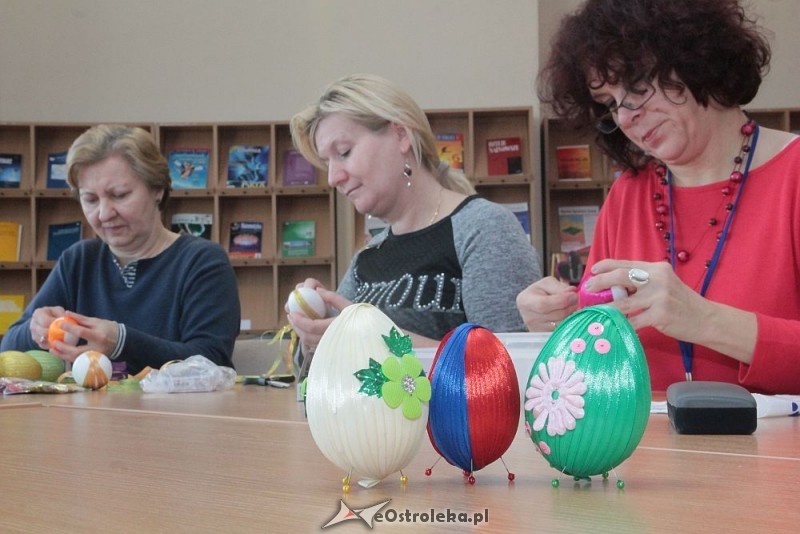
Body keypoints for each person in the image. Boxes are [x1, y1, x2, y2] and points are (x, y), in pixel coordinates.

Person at [516, 0, 800, 394]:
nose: (625, 116)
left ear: (696, 59)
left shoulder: (793, 176)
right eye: (610, 104)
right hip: (650, 453)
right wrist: (561, 328)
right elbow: (601, 364)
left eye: (637, 87)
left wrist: (705, 320)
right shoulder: (626, 196)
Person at [288, 74, 542, 351]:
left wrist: (373, 339)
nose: (333, 177)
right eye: (327, 163)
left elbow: (506, 366)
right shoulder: (367, 256)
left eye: (344, 152)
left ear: (401, 136)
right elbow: (327, 367)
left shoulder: (484, 229)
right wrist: (316, 327)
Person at [0, 125, 240, 375]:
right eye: (90, 199)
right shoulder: (79, 259)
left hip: (176, 414)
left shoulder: (202, 261)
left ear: (157, 189)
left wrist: (121, 342)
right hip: (89, 413)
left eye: (120, 195)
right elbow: (8, 350)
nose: (104, 214)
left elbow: (212, 361)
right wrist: (35, 329)